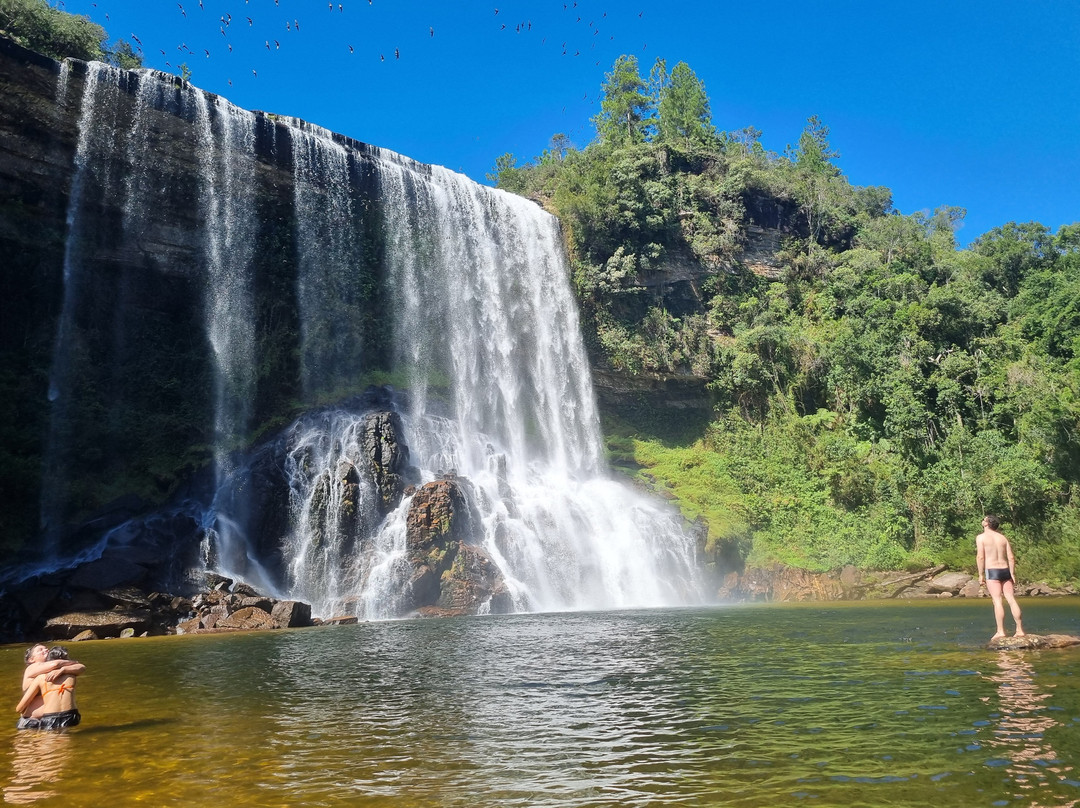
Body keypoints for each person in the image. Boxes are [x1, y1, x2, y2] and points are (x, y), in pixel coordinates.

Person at [976, 515, 1025, 640]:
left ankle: (1000, 631)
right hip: (1005, 570)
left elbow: (980, 557)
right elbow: (1011, 557)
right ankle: (1019, 629)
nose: (982, 520)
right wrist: (1012, 573)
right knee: (1011, 599)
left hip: (992, 571)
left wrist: (980, 574)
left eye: (984, 519)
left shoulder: (981, 538)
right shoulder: (1002, 538)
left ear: (987, 523)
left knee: (997, 601)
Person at [17, 644, 85, 729]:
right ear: (31, 659)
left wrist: (63, 669)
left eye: (46, 649)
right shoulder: (32, 667)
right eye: (40, 650)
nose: (46, 650)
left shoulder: (51, 671)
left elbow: (81, 667)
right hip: (30, 720)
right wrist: (72, 662)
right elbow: (54, 664)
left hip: (47, 718)